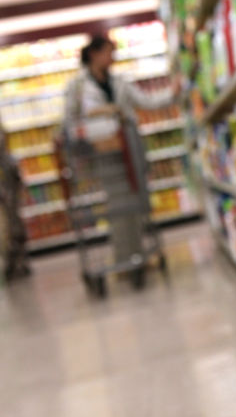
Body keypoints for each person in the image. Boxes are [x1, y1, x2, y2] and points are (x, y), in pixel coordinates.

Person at [63, 34, 181, 267]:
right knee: (117, 205)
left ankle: (137, 254)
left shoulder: (120, 82)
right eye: (108, 52)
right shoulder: (76, 86)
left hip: (128, 146)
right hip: (102, 152)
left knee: (135, 202)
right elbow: (69, 119)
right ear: (94, 54)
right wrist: (100, 114)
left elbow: (146, 102)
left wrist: (172, 92)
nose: (112, 57)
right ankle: (124, 257)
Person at [0, 123, 29, 281]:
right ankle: (10, 264)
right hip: (4, 205)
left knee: (17, 231)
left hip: (12, 202)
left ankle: (21, 263)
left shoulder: (9, 159)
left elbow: (18, 179)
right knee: (5, 235)